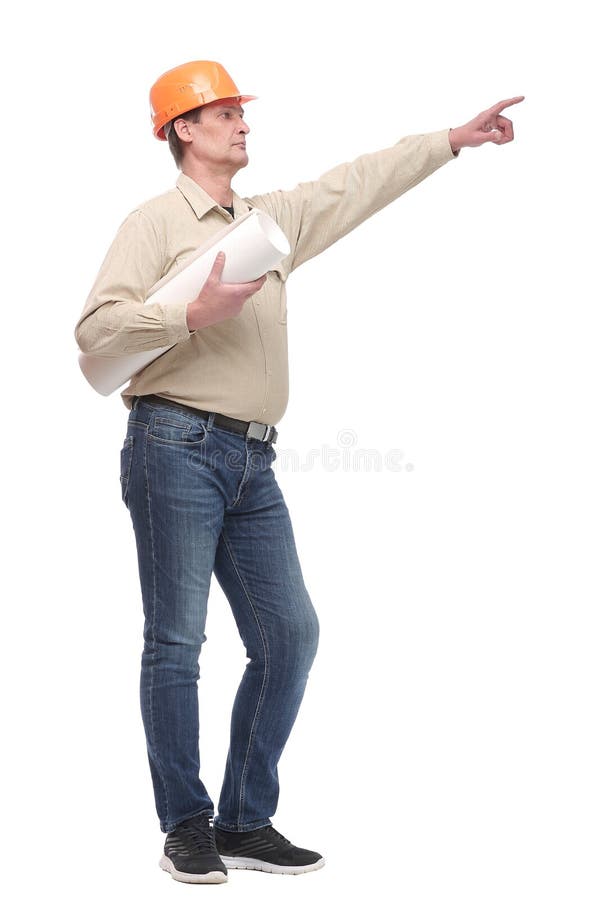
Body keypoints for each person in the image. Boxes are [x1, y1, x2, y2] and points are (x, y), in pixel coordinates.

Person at [74, 60, 524, 885]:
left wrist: (450, 143)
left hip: (253, 458)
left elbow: (353, 187)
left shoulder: (267, 222)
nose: (243, 124)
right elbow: (95, 334)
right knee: (176, 642)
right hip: (171, 444)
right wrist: (188, 312)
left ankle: (246, 819)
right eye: (225, 114)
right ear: (182, 129)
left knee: (290, 635)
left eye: (243, 112)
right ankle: (186, 826)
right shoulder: (153, 223)